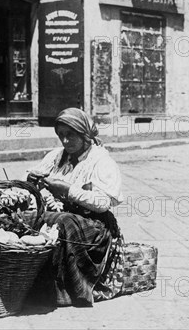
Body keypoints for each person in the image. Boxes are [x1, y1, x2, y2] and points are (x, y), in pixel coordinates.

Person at [25, 107, 125, 307]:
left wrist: (67, 189)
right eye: (61, 135)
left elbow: (103, 203)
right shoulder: (56, 156)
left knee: (63, 222)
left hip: (93, 225)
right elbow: (34, 177)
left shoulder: (101, 161)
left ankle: (64, 290)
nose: (65, 141)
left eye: (70, 135)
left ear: (85, 134)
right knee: (27, 218)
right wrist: (31, 181)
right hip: (62, 216)